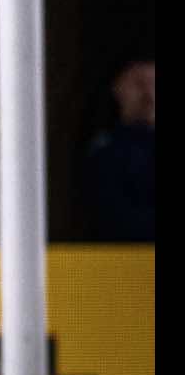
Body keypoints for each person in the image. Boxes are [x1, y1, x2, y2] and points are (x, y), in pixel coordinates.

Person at [82, 57, 155, 242]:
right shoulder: (106, 150)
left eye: (154, 84)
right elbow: (112, 218)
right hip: (122, 262)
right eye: (139, 84)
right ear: (117, 87)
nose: (149, 95)